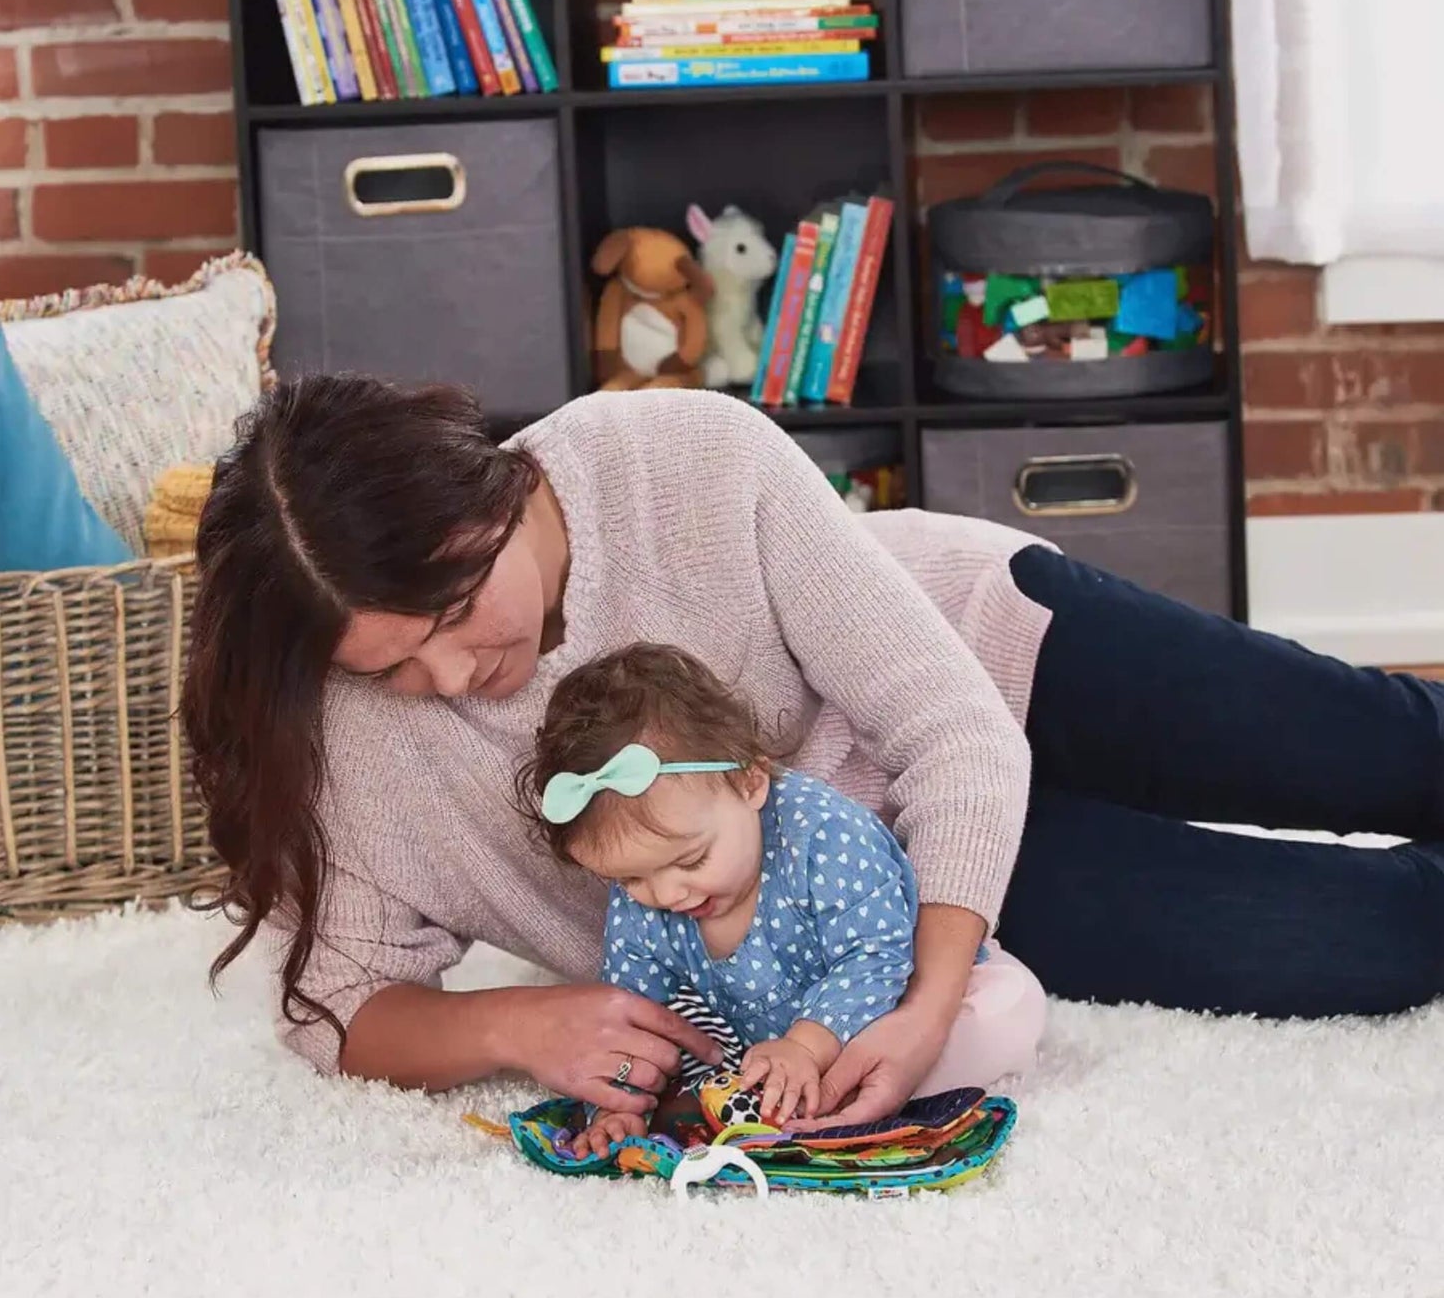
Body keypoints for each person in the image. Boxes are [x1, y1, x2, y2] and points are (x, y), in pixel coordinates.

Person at [183, 375, 1444, 1126]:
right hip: (891, 883)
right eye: (389, 663)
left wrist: (928, 1008)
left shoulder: (682, 454)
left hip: (984, 654)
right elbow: (337, 1006)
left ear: (489, 496)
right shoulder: (357, 741)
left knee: (1383, 748)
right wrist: (519, 1022)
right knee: (1373, 940)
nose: (448, 678)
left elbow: (949, 728)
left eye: (458, 616)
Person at [514, 642, 1047, 1155]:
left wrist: (808, 1047)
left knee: (1006, 1009)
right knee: (687, 1079)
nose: (666, 893)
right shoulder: (648, 892)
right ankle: (789, 1099)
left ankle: (857, 1087)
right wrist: (620, 1107)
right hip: (763, 1046)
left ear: (749, 784)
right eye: (630, 880)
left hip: (892, 999)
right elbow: (640, 1012)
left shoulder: (825, 834)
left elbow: (876, 958)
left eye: (691, 861)